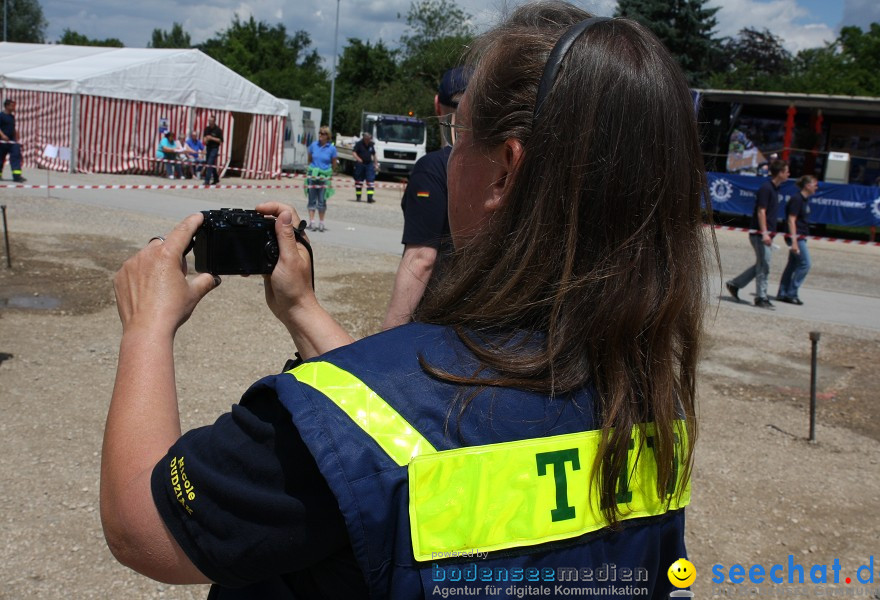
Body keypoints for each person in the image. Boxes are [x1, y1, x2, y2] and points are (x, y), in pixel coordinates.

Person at [101, 4, 706, 598]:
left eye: (457, 135)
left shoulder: (364, 410)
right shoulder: (649, 399)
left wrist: (147, 328)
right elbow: (403, 442)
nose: (449, 158)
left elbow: (141, 527)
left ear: (505, 172)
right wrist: (302, 308)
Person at [382, 66, 470, 330]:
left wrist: (384, 339)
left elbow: (421, 258)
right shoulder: (506, 164)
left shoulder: (433, 167)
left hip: (440, 318)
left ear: (436, 104)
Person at [726, 159, 790, 309]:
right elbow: (761, 212)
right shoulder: (766, 188)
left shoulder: (775, 189)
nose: (788, 174)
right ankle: (761, 297)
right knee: (764, 266)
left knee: (761, 264)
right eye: (786, 171)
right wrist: (765, 233)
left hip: (766, 234)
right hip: (760, 234)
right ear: (780, 173)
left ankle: (735, 284)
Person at [775, 175, 817, 305]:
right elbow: (791, 220)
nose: (816, 187)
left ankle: (782, 293)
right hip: (796, 237)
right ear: (807, 185)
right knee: (806, 264)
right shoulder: (797, 199)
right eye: (815, 184)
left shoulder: (804, 200)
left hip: (800, 236)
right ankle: (791, 293)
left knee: (792, 265)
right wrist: (794, 241)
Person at [305, 126, 338, 232]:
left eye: (323, 133)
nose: (320, 135)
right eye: (319, 133)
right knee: (311, 199)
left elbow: (334, 162)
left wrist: (330, 173)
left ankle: (322, 222)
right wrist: (312, 170)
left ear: (327, 136)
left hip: (324, 176)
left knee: (322, 200)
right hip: (313, 175)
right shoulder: (313, 145)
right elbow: (309, 159)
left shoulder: (331, 148)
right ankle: (312, 222)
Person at [0, 99, 26, 183]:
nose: (14, 107)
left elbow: (13, 128)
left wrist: (17, 138)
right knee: (0, 158)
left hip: (12, 141)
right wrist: (2, 135)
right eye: (12, 105)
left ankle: (17, 176)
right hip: (2, 141)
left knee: (16, 156)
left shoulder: (12, 117)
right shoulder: (1, 116)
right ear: (7, 106)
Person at [352, 132, 378, 203]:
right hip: (360, 164)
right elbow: (354, 152)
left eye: (369, 139)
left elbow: (374, 154)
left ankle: (370, 198)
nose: (368, 140)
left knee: (370, 181)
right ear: (364, 138)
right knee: (359, 181)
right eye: (367, 139)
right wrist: (358, 159)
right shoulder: (359, 144)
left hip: (369, 164)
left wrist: (376, 164)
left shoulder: (371, 144)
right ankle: (358, 197)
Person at [203, 116, 223, 185]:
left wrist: (211, 138)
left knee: (209, 163)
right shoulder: (207, 129)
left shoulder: (218, 130)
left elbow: (220, 140)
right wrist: (205, 140)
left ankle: (207, 181)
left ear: (214, 121)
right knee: (211, 163)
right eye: (209, 121)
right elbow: (204, 138)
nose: (210, 122)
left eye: (211, 121)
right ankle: (216, 178)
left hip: (214, 148)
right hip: (208, 147)